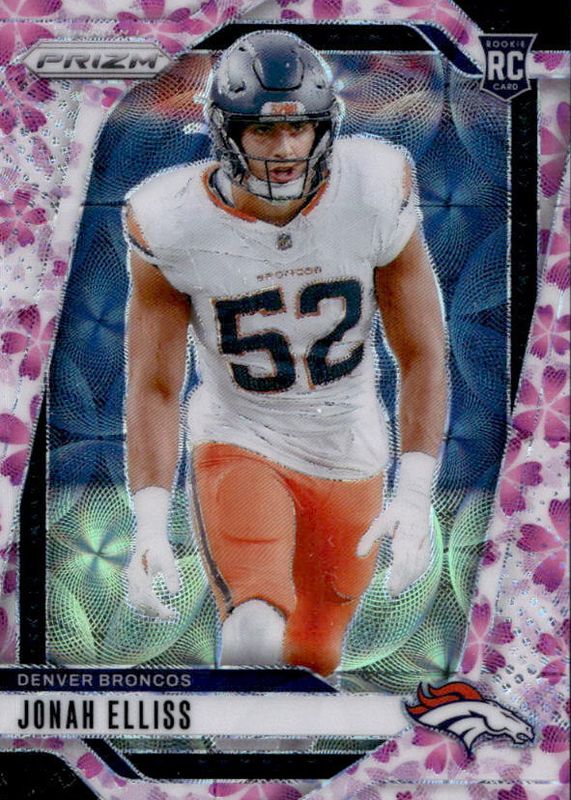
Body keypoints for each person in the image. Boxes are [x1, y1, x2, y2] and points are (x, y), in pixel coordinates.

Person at [123, 30, 447, 678]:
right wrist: (149, 523)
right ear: (225, 132)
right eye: (263, 130)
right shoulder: (169, 218)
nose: (284, 149)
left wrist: (414, 494)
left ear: (323, 126)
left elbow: (422, 353)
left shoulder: (373, 185)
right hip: (240, 435)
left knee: (312, 656)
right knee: (254, 620)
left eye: (298, 128)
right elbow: (155, 383)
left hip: (351, 446)